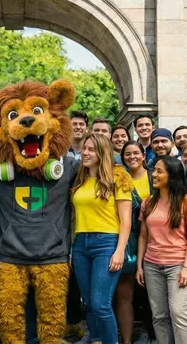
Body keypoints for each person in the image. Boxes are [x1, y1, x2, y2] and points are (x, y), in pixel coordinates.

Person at [71, 134, 132, 344]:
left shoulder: (118, 177)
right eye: (84, 148)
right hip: (80, 244)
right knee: (88, 302)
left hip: (107, 243)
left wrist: (120, 250)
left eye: (91, 149)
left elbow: (126, 220)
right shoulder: (80, 178)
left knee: (100, 303)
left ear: (102, 153)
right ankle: (96, 340)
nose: (85, 153)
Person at [136, 156, 187, 344]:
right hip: (152, 265)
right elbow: (143, 236)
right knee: (159, 315)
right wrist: (140, 266)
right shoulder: (148, 202)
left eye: (159, 171)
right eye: (154, 170)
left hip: (178, 265)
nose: (153, 174)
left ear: (172, 176)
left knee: (179, 313)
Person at [114, 141, 149, 344]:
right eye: (128, 153)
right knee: (124, 291)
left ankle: (150, 333)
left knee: (149, 290)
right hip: (128, 237)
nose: (132, 156)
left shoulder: (153, 176)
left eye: (136, 153)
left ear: (143, 155)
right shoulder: (119, 177)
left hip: (153, 237)